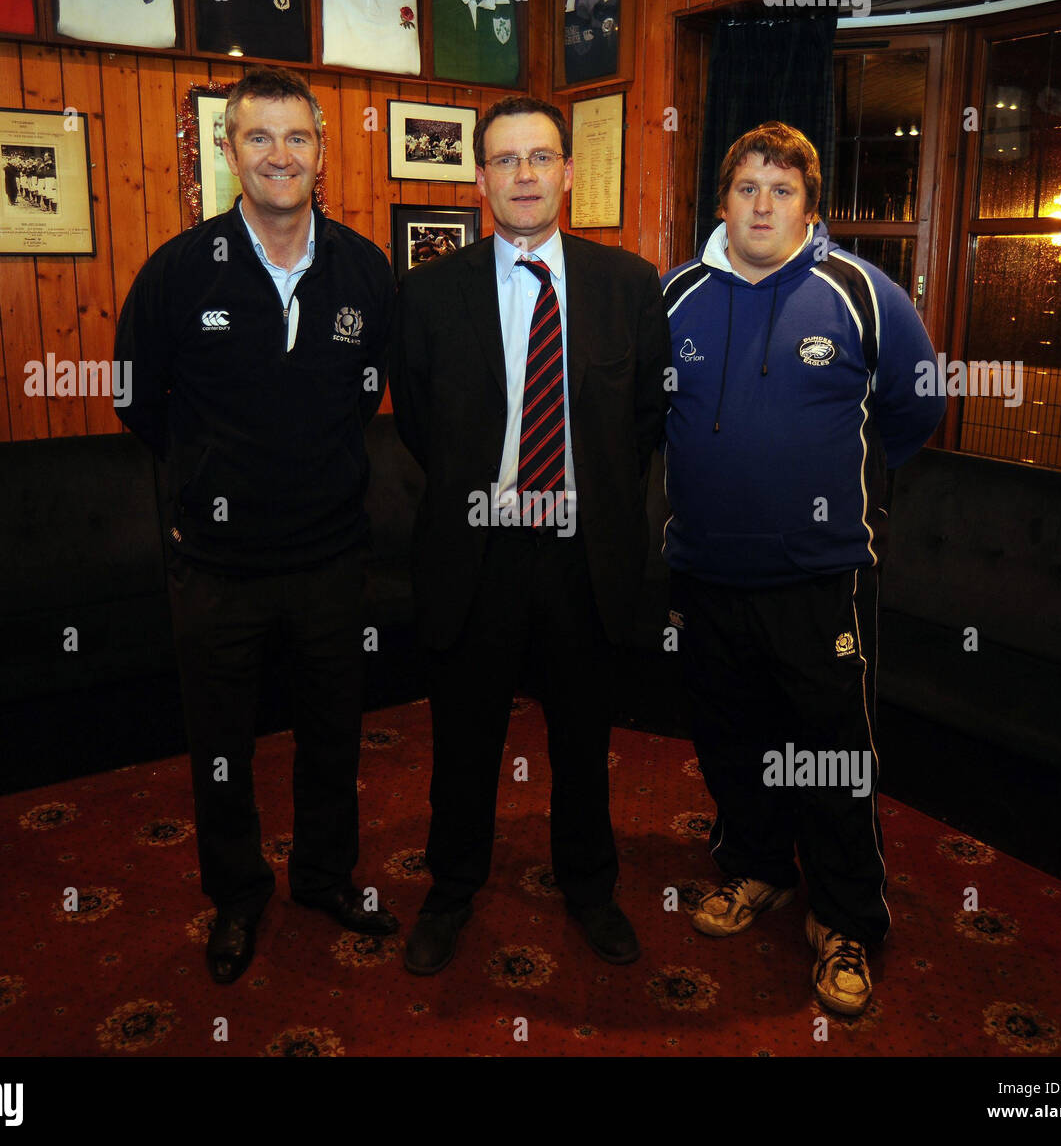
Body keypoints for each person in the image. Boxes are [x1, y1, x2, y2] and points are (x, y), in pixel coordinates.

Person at [113, 67, 398, 984]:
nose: (280, 155)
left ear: (322, 150)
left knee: (332, 736)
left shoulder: (364, 271)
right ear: (228, 151)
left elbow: (363, 400)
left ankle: (323, 875)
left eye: (298, 137)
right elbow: (135, 398)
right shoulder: (178, 270)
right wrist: (212, 474)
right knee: (222, 748)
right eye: (259, 137)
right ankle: (237, 893)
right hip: (217, 566)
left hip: (329, 559)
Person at [660, 121, 945, 1016]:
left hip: (821, 578)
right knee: (730, 739)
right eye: (748, 187)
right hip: (704, 574)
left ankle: (850, 917)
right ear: (723, 201)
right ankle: (754, 868)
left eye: (782, 191)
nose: (762, 204)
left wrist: (848, 503)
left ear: (808, 207)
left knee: (829, 755)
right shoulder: (675, 295)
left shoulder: (860, 291)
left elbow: (915, 409)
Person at [389, 96, 670, 975]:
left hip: (586, 554)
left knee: (584, 740)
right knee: (464, 739)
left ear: (568, 172)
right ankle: (451, 888)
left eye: (539, 158)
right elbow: (420, 422)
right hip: (480, 550)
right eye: (504, 160)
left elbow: (646, 418)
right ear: (480, 178)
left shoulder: (629, 284)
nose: (522, 175)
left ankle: (589, 885)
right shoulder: (429, 292)